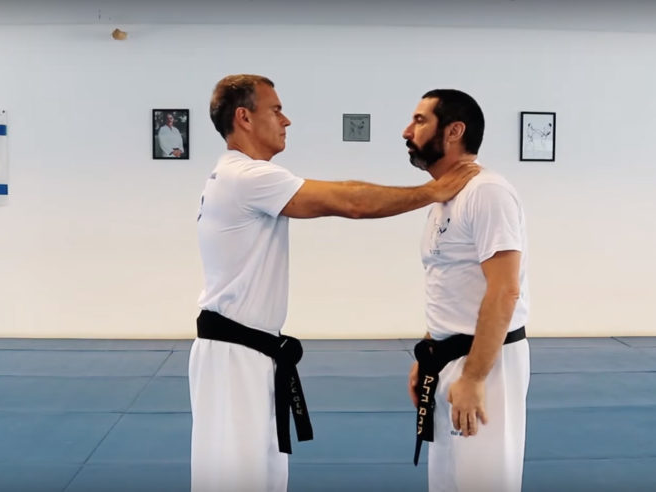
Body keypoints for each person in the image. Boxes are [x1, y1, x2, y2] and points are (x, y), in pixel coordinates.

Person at [189, 74, 480, 492]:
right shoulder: (244, 176)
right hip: (234, 358)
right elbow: (352, 201)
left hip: (248, 352)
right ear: (244, 118)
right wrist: (434, 191)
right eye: (276, 110)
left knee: (262, 475)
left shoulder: (237, 175)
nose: (286, 120)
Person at [403, 89, 531, 492]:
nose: (407, 131)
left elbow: (505, 289)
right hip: (449, 359)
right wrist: (430, 349)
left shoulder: (487, 192)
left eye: (420, 120)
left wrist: (475, 375)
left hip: (485, 361)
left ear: (454, 131)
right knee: (448, 481)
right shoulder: (444, 197)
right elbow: (451, 283)